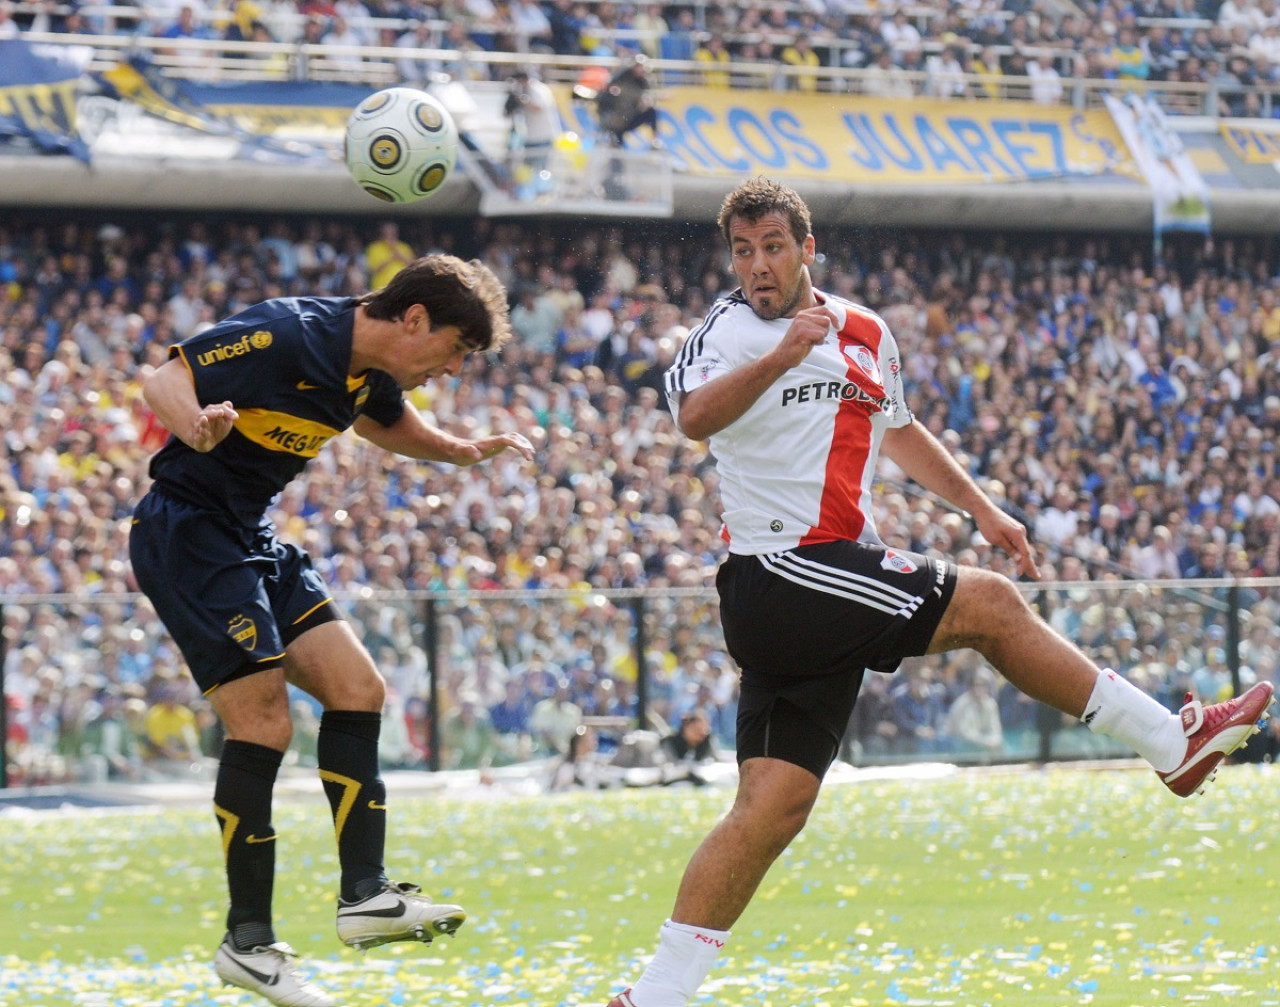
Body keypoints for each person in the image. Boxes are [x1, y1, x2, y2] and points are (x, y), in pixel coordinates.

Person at [602, 177, 1276, 1007]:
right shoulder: (732, 328)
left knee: (770, 808)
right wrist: (780, 356)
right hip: (781, 571)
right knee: (991, 607)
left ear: (808, 248)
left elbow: (901, 431)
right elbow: (694, 418)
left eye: (773, 246)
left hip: (824, 578)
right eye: (743, 251)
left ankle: (656, 995)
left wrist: (985, 508)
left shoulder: (865, 331)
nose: (758, 266)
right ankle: (1170, 745)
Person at [129, 254, 534, 1007]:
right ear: (414, 320)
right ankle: (247, 943)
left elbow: (391, 424)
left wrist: (457, 449)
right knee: (263, 722)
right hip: (188, 534)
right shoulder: (287, 333)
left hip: (249, 535)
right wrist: (195, 423)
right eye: (452, 350)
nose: (449, 370)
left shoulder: (370, 372)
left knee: (358, 687)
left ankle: (365, 896)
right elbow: (163, 377)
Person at [595, 53, 660, 148]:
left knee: (651, 111)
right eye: (638, 67)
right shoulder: (622, 78)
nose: (640, 70)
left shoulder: (644, 81)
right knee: (616, 145)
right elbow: (606, 97)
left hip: (630, 116)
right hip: (616, 120)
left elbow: (647, 98)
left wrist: (645, 103)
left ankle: (655, 140)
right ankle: (610, 140)